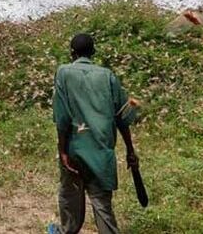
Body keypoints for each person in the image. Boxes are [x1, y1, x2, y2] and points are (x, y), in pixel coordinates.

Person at [48, 33, 138, 234]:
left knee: (70, 202)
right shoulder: (108, 76)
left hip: (74, 150)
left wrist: (62, 151)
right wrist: (131, 151)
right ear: (93, 52)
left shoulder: (63, 73)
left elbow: (62, 117)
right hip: (101, 152)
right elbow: (123, 116)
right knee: (103, 207)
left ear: (72, 53)